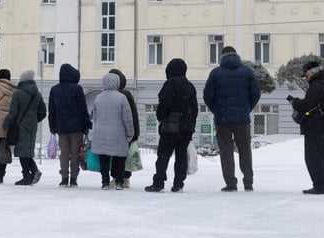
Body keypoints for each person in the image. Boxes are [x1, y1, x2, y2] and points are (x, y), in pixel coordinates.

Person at [203, 46, 261, 192]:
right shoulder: (247, 72)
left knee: (226, 151)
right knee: (245, 150)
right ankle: (248, 182)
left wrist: (217, 111)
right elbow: (256, 93)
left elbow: (207, 96)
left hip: (222, 120)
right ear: (236, 55)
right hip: (242, 119)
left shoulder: (216, 73)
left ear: (222, 57)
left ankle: (230, 183)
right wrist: (246, 108)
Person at [146, 58, 199, 193]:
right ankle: (178, 183)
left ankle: (159, 182)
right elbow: (195, 108)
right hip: (186, 128)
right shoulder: (190, 86)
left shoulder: (170, 84)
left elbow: (164, 103)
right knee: (181, 156)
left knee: (163, 155)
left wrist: (160, 116)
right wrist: (190, 123)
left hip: (170, 127)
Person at [288, 61, 324, 195]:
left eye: (306, 74)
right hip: (323, 125)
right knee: (322, 155)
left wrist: (295, 102)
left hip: (315, 126)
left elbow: (307, 105)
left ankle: (319, 186)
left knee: (313, 157)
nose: (305, 77)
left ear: (312, 72)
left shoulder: (317, 86)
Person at [47, 63, 90, 187]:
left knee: (64, 153)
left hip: (61, 127)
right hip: (77, 127)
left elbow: (52, 110)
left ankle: (64, 178)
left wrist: (52, 126)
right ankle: (74, 178)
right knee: (76, 152)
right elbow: (83, 108)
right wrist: (86, 125)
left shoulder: (54, 89)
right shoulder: (77, 89)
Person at [2, 70, 46, 186]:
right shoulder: (37, 94)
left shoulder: (18, 93)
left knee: (22, 151)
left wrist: (6, 124)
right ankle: (31, 174)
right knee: (27, 150)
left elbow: (12, 112)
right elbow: (43, 112)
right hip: (31, 125)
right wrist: (34, 120)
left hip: (20, 125)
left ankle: (28, 175)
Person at [90, 72, 133, 190]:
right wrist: (130, 133)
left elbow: (95, 116)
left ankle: (104, 182)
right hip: (118, 134)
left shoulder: (99, 97)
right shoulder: (122, 98)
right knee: (119, 159)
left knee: (104, 159)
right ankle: (119, 182)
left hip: (101, 133)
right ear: (117, 83)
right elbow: (127, 118)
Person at [109, 68, 139, 188]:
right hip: (126, 130)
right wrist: (135, 132)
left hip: (118, 130)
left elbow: (132, 113)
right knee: (125, 156)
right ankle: (124, 178)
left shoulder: (121, 95)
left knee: (116, 157)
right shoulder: (126, 94)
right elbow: (134, 114)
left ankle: (118, 178)